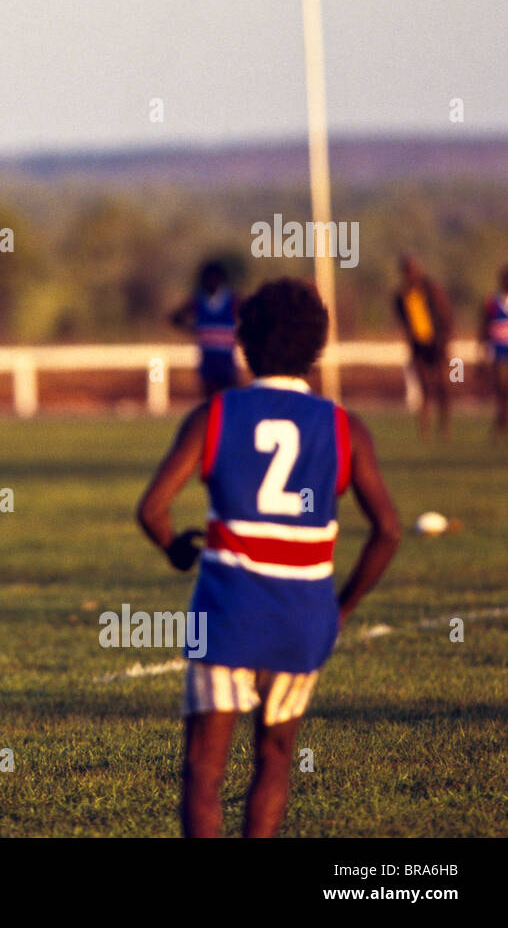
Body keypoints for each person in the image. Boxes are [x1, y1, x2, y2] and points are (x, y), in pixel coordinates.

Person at [137, 278, 400, 838]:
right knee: (275, 758)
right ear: (317, 346)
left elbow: (152, 510)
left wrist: (177, 549)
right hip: (302, 616)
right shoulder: (343, 426)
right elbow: (389, 532)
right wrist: (343, 607)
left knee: (204, 771)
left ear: (243, 342)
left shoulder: (216, 415)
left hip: (226, 611)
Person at [394, 255, 453, 439]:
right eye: (406, 272)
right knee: (424, 388)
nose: (410, 275)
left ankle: (444, 429)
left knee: (444, 387)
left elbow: (446, 316)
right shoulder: (401, 296)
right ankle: (425, 431)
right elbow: (404, 322)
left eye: (412, 270)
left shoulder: (431, 290)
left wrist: (445, 342)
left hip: (438, 346)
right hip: (419, 348)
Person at [170, 260, 240, 397]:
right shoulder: (198, 300)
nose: (211, 282)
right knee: (210, 401)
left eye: (214, 278)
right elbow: (175, 318)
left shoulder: (232, 299)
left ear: (221, 279)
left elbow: (252, 312)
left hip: (226, 361)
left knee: (230, 399)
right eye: (208, 278)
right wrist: (194, 329)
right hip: (208, 361)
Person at [479, 264, 508, 439]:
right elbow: (484, 326)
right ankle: (500, 424)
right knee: (502, 391)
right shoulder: (492, 302)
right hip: (498, 355)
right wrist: (482, 351)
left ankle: (500, 425)